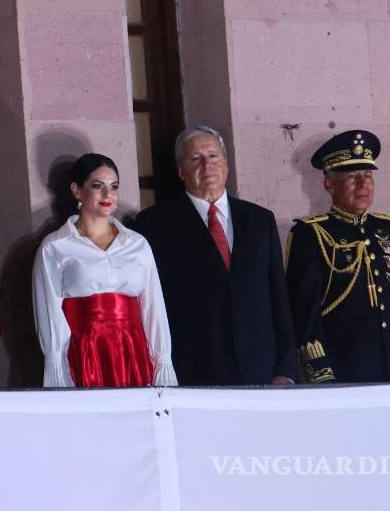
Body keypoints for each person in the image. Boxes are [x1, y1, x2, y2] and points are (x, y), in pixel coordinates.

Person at [133, 126, 297, 386]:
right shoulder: (154, 224)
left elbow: (278, 296)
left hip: (260, 368)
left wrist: (286, 367)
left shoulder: (259, 220)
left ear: (226, 164)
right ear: (181, 171)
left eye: (213, 156)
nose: (206, 165)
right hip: (193, 369)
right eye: (195, 158)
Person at [286, 130, 390, 383]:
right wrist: (321, 373)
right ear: (329, 185)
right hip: (346, 373)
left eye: (367, 176)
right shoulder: (310, 234)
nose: (362, 184)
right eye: (351, 176)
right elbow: (304, 312)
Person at [32, 153, 176, 387]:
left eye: (114, 186)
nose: (108, 194)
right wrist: (58, 370)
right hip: (83, 354)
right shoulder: (55, 246)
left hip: (133, 353)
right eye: (98, 186)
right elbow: (49, 313)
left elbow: (153, 308)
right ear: (77, 190)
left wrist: (162, 362)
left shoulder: (137, 244)